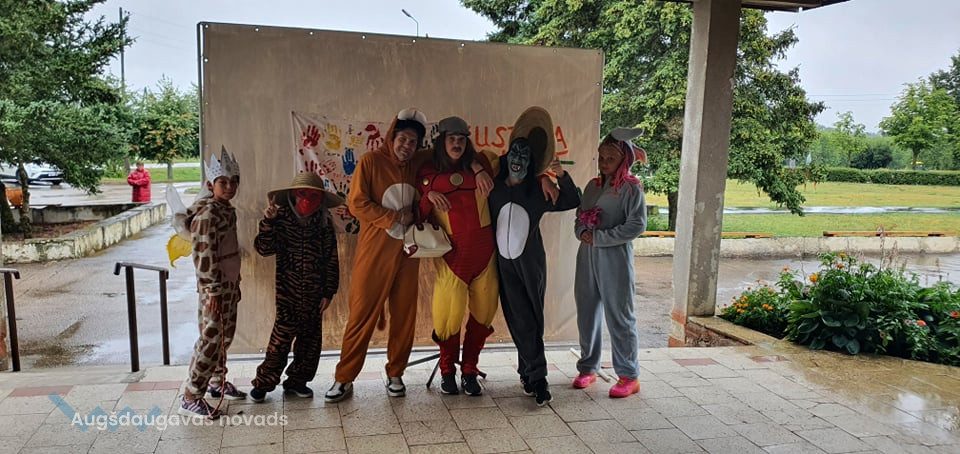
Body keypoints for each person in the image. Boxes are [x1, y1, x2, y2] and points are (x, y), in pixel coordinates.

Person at [324, 108, 430, 402]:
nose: (407, 145)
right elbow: (356, 203)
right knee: (361, 314)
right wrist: (393, 217)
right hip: (375, 252)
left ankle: (396, 372)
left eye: (413, 142)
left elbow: (452, 156)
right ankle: (344, 377)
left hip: (408, 254)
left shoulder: (420, 163)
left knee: (404, 316)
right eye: (403, 138)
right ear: (392, 136)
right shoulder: (371, 162)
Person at [489, 107, 580, 406]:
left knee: (531, 320)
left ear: (531, 163)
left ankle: (533, 375)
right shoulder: (493, 188)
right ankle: (533, 375)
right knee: (519, 319)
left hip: (530, 265)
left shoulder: (538, 191)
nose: (518, 159)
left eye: (525, 156)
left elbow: (572, 200)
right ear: (507, 156)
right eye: (515, 153)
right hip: (504, 266)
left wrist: (557, 175)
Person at [417, 116, 502, 396]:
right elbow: (417, 215)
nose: (457, 144)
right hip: (452, 259)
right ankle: (447, 370)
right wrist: (428, 196)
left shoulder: (484, 163)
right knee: (447, 317)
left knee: (484, 314)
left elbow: (518, 167)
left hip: (485, 255)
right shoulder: (426, 170)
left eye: (462, 139)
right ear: (441, 141)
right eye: (451, 139)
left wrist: (478, 168)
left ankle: (469, 369)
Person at [249, 172, 344, 402]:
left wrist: (328, 292)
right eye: (302, 194)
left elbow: (331, 260)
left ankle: (297, 382)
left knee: (310, 343)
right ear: (293, 195)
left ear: (321, 199)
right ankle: (264, 382)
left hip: (315, 295)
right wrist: (268, 222)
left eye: (313, 196)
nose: (307, 200)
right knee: (279, 342)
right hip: (287, 295)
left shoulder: (323, 222)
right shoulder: (280, 218)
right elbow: (264, 249)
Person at [573, 128, 647, 398]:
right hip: (587, 256)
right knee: (586, 311)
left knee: (620, 315)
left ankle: (629, 375)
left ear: (623, 160)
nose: (604, 163)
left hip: (614, 258)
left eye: (611, 159)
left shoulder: (631, 188)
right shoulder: (592, 186)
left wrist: (600, 237)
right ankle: (588, 367)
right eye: (602, 157)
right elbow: (579, 216)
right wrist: (582, 231)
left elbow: (637, 225)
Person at [179, 147, 246, 418]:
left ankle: (216, 382)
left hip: (228, 283)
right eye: (223, 182)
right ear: (211, 185)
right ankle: (191, 394)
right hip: (214, 288)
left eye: (233, 182)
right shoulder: (207, 215)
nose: (229, 187)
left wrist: (234, 281)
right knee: (211, 338)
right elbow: (204, 256)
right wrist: (213, 291)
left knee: (225, 336)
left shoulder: (226, 210)